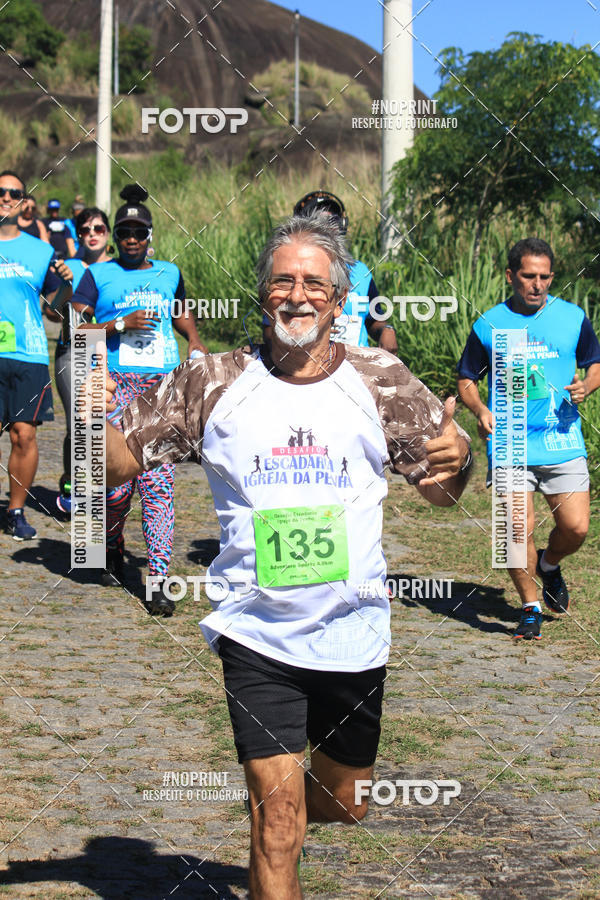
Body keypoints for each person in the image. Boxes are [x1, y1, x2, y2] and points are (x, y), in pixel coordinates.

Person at [96, 215, 472, 898]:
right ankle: (275, 800)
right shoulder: (212, 381)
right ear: (262, 292)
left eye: (313, 283)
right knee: (277, 827)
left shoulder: (380, 378)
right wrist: (98, 429)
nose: (297, 295)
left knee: (346, 803)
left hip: (354, 634)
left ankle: (287, 792)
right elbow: (118, 457)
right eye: (282, 281)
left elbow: (442, 492)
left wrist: (461, 456)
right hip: (256, 631)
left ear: (338, 298)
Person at [71, 183, 207, 612]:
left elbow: (180, 310)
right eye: (124, 232)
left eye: (139, 232)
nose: (132, 239)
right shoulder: (97, 276)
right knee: (114, 488)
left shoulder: (169, 272)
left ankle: (158, 581)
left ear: (150, 235)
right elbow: (76, 330)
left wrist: (195, 341)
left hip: (159, 388)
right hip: (114, 387)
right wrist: (117, 324)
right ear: (115, 236)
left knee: (158, 484)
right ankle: (110, 542)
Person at [457, 238, 600, 640]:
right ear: (511, 276)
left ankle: (549, 564)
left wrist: (587, 386)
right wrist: (481, 410)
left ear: (552, 277)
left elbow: (595, 364)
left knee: (575, 528)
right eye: (528, 276)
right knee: (514, 530)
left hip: (561, 439)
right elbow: (466, 379)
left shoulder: (572, 318)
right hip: (510, 440)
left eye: (544, 277)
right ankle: (530, 607)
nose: (536, 285)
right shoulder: (489, 324)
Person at [0, 170, 71, 539]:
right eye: (1, 191)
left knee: (23, 436)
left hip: (27, 354)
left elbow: (54, 312)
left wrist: (66, 286)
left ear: (24, 201)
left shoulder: (41, 251)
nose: (6, 197)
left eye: (14, 193)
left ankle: (15, 512)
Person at [264, 190, 398, 354]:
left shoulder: (361, 272)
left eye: (333, 220)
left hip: (356, 364)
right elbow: (270, 332)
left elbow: (374, 319)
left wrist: (387, 330)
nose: (327, 227)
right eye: (318, 219)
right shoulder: (286, 271)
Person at [54, 207, 113, 514]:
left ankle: (107, 484)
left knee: (109, 423)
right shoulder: (68, 267)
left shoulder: (120, 267)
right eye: (86, 229)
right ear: (77, 234)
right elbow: (52, 312)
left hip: (110, 354)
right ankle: (75, 484)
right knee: (79, 421)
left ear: (108, 232)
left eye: (99, 228)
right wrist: (65, 285)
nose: (92, 234)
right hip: (73, 350)